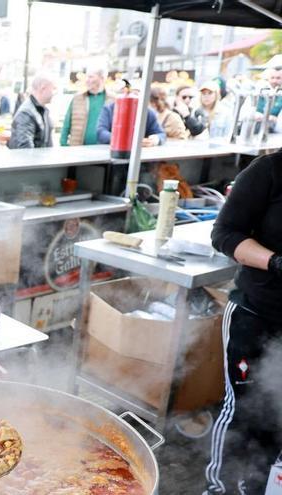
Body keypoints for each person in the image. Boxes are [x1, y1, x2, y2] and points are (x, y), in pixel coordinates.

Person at [205, 151, 282, 495]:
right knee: (244, 411)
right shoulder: (271, 169)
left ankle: (261, 485)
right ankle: (220, 488)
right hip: (257, 315)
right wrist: (277, 262)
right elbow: (224, 233)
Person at [59, 67, 113, 146]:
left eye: (91, 77)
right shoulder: (77, 98)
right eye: (87, 77)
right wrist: (63, 144)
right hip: (78, 150)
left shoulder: (113, 100)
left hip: (104, 149)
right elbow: (66, 124)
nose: (87, 80)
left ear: (102, 78)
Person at [96, 88, 166, 147]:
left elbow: (161, 134)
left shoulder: (147, 112)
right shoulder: (109, 110)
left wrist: (154, 140)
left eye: (136, 94)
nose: (132, 97)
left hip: (140, 158)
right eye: (129, 93)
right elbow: (101, 132)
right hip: (111, 155)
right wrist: (126, 140)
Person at [8, 75, 56, 149]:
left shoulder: (42, 111)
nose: (54, 93)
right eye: (53, 88)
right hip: (32, 160)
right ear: (43, 88)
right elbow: (25, 151)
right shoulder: (26, 113)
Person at [256, 68, 282, 133]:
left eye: (278, 78)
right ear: (268, 79)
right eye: (272, 78)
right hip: (258, 126)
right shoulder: (261, 91)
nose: (274, 81)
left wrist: (275, 119)